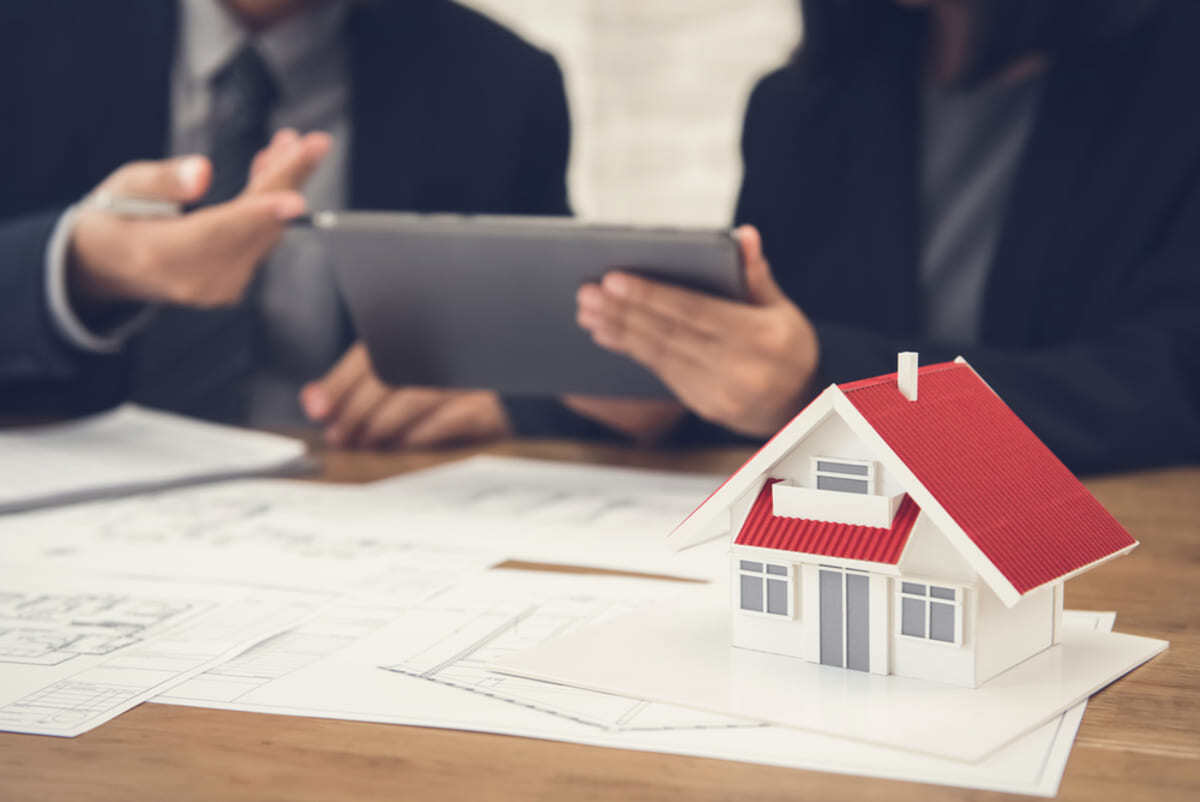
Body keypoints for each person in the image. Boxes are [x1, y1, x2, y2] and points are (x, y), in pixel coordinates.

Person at [570, 0, 1200, 474]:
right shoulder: (802, 103)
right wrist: (690, 385)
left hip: (1111, 540)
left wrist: (822, 382)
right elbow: (769, 359)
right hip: (846, 525)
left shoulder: (1173, 76)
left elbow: (1170, 386)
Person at [0, 0, 570, 446]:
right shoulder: (24, 36)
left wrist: (494, 387)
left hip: (354, 502)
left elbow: (571, 342)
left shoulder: (499, 83)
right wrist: (78, 263)